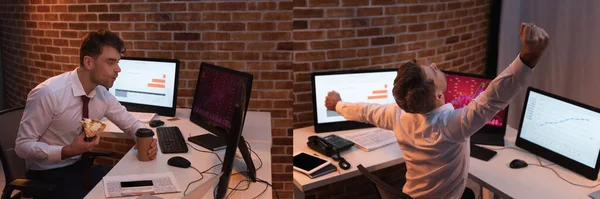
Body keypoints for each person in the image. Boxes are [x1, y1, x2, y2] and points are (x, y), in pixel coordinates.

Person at [325, 23, 549, 199]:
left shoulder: (397, 115)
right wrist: (529, 56)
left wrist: (337, 105)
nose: (433, 65)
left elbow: (366, 112)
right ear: (438, 95)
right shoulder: (453, 125)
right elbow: (492, 99)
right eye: (431, 72)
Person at [14, 29, 159, 199]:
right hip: (47, 175)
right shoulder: (48, 93)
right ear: (89, 63)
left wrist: (146, 139)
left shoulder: (102, 94)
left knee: (139, 187)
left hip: (79, 167)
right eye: (111, 62)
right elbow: (22, 146)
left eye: (118, 62)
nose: (118, 69)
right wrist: (66, 150)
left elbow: (131, 124)